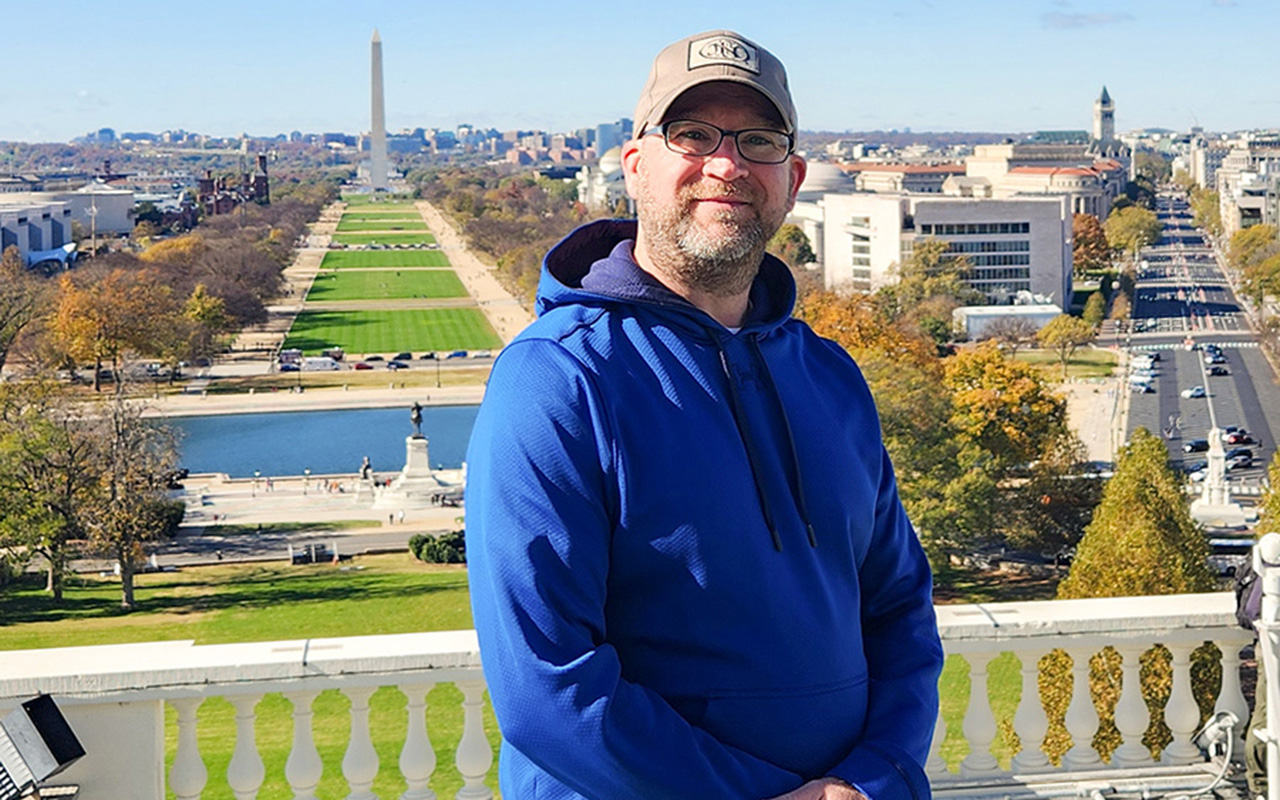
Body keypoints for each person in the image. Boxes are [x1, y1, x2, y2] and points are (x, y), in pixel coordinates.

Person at [466, 30, 943, 800]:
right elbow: (546, 687)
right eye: (692, 134)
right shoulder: (557, 379)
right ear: (634, 166)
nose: (726, 164)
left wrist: (872, 778)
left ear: (790, 179)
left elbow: (899, 612)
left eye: (757, 141)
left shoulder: (830, 376)